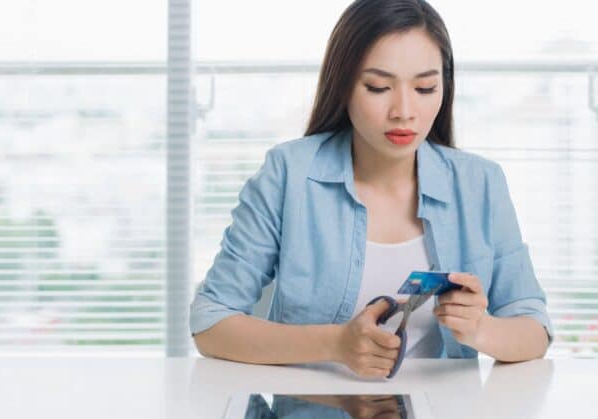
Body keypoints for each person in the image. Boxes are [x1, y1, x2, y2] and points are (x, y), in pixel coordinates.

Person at [190, 0, 553, 378]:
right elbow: (211, 322)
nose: (404, 111)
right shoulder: (289, 174)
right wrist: (336, 344)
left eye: (426, 87)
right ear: (343, 85)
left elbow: (534, 331)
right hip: (312, 415)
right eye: (378, 87)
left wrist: (482, 329)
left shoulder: (480, 184)